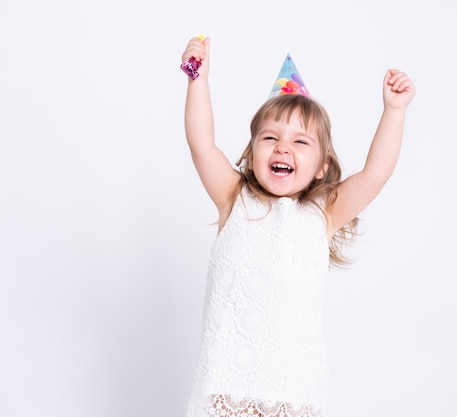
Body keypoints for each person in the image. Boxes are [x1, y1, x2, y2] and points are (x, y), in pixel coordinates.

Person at [181, 35, 415, 417]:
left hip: (292, 391)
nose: (282, 148)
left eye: (300, 141)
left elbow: (374, 175)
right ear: (252, 152)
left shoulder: (323, 213)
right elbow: (201, 145)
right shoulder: (234, 198)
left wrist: (394, 111)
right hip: (225, 388)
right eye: (270, 137)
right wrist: (197, 80)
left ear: (322, 166)